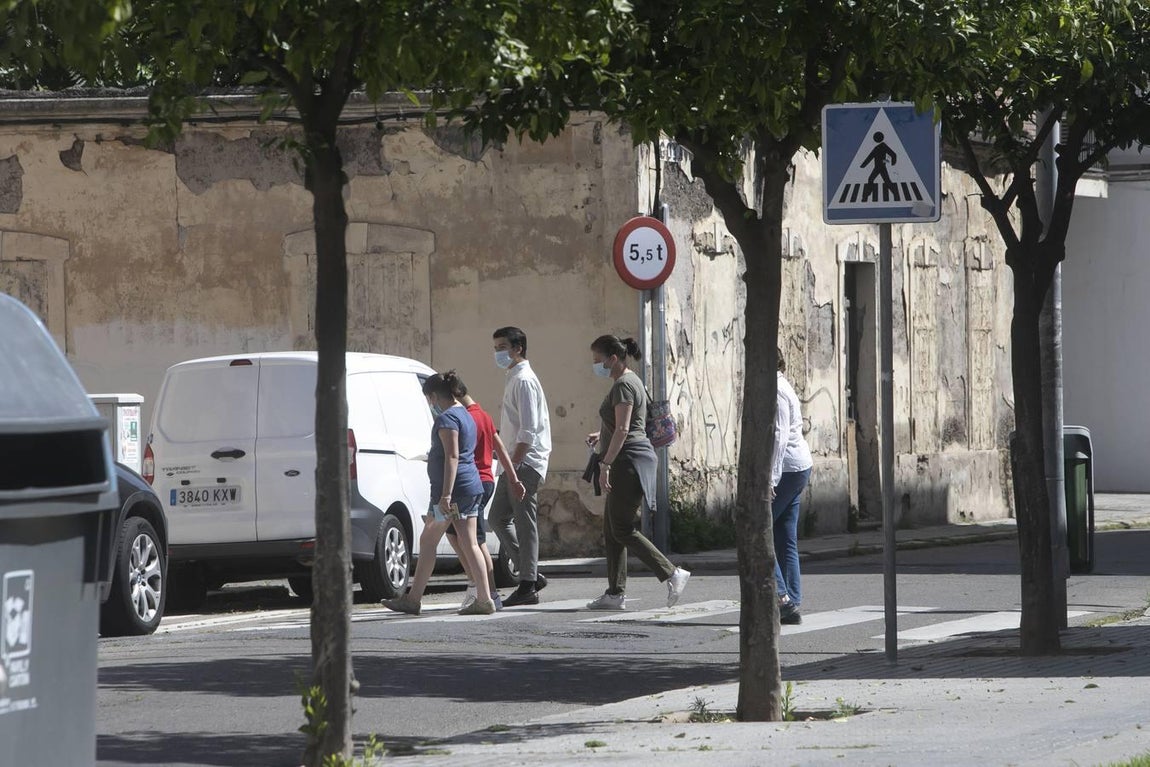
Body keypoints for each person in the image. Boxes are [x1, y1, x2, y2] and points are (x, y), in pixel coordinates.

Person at [583, 334, 690, 611]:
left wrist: (605, 464)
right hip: (629, 457)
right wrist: (602, 435)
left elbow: (623, 429)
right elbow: (627, 424)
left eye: (598, 360)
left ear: (613, 358)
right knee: (612, 530)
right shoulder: (633, 380)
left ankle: (672, 573)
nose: (595, 365)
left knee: (621, 528)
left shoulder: (623, 385)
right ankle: (614, 593)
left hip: (627, 461)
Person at [382, 371, 495, 616]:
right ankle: (484, 598)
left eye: (428, 398)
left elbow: (452, 456)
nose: (429, 403)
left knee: (430, 540)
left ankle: (414, 600)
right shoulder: (465, 414)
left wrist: (445, 495)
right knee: (467, 543)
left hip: (454, 494)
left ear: (433, 396)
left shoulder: (447, 419)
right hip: (468, 487)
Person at [443, 374, 526, 611]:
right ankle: (479, 586)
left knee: (475, 541)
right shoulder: (484, 416)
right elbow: (501, 450)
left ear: (453, 396)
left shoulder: (463, 417)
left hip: (470, 484)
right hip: (485, 481)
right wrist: (513, 478)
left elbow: (454, 455)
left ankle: (487, 592)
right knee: (454, 534)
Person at [488, 326, 552, 607]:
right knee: (497, 518)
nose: (498, 353)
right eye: (496, 348)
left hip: (523, 462)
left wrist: (513, 465)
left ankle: (527, 586)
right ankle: (531, 574)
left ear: (518, 348)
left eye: (502, 347)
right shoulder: (514, 377)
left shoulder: (524, 380)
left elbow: (528, 431)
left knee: (525, 524)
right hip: (513, 462)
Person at [772, 348, 813, 625]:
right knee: (785, 535)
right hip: (797, 466)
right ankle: (792, 600)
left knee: (758, 531)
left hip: (786, 468)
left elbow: (779, 436)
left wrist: (770, 479)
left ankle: (782, 599)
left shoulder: (775, 390)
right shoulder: (784, 385)